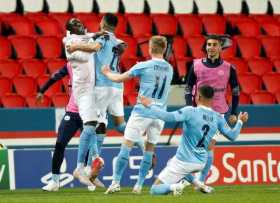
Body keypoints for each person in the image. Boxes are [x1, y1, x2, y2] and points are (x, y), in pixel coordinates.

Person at [138, 85, 248, 196]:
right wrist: (240, 122)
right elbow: (233, 136)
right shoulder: (218, 117)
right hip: (201, 162)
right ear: (212, 99)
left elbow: (167, 117)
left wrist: (150, 105)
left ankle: (176, 187)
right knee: (171, 162)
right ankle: (199, 184)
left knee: (155, 190)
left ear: (199, 96)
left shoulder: (190, 111)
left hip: (184, 161)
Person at [100, 35, 173, 194]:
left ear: (150, 48)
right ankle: (139, 186)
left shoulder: (144, 66)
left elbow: (119, 78)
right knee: (150, 148)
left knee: (126, 146)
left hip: (143, 111)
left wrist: (106, 72)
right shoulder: (170, 68)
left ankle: (115, 183)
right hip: (160, 113)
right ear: (164, 48)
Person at [184, 34, 240, 187]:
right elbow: (188, 88)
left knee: (209, 145)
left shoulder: (229, 68)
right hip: (198, 112)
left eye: (214, 45)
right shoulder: (196, 65)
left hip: (218, 114)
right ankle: (189, 177)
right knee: (194, 146)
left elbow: (235, 92)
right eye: (209, 45)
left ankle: (201, 181)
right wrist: (189, 107)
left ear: (221, 48)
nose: (211, 48)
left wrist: (234, 113)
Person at [39, 63, 104, 191]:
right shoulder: (71, 65)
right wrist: (42, 91)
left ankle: (88, 175)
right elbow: (54, 77)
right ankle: (55, 182)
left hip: (90, 113)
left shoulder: (96, 64)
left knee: (90, 146)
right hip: (72, 112)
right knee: (60, 144)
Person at [63, 18, 104, 187]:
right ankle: (80, 167)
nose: (81, 25)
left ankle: (90, 164)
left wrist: (95, 36)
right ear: (71, 30)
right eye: (76, 24)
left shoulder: (82, 38)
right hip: (82, 91)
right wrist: (93, 44)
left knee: (95, 126)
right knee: (90, 125)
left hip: (92, 89)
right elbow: (87, 55)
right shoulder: (69, 44)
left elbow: (90, 36)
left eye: (80, 23)